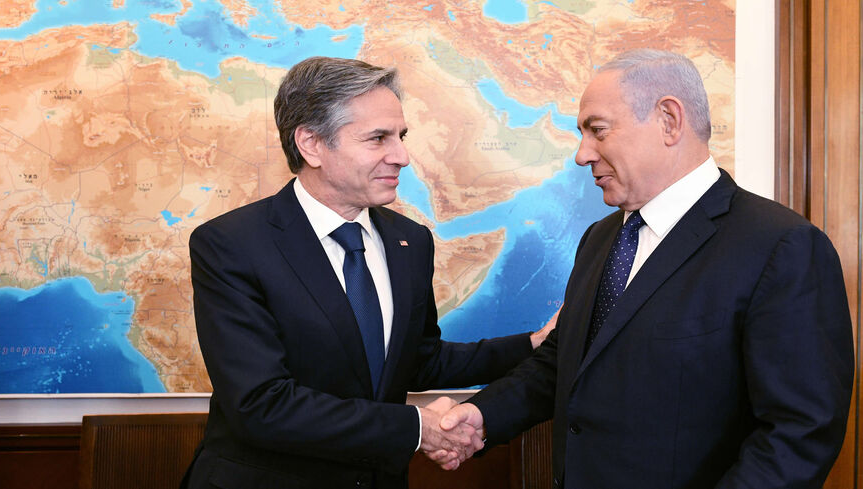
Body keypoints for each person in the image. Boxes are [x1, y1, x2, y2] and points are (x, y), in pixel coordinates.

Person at [437, 49, 854, 489]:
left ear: (669, 120)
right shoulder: (600, 238)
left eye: (598, 131)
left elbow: (798, 434)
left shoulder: (780, 246)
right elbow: (566, 362)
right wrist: (484, 415)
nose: (582, 155)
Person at [181, 56, 553, 489]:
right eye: (378, 138)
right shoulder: (231, 245)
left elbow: (417, 361)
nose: (402, 157)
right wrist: (418, 428)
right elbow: (261, 405)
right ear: (311, 144)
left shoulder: (409, 241)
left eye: (401, 136)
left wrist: (531, 345)